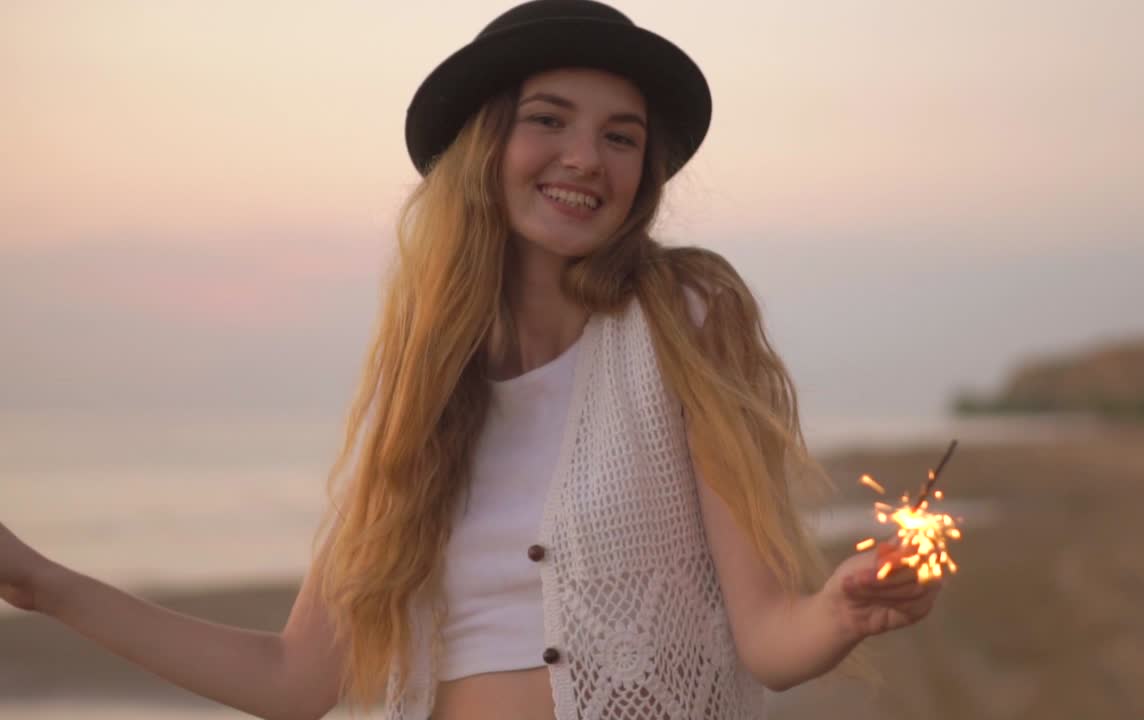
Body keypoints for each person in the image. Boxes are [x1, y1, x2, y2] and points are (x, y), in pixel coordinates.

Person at [0, 1, 942, 718]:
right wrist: (42, 584)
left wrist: (843, 609)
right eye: (550, 120)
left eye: (622, 137)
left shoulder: (683, 323)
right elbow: (298, 679)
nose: (586, 157)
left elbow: (770, 639)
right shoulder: (413, 389)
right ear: (484, 146)